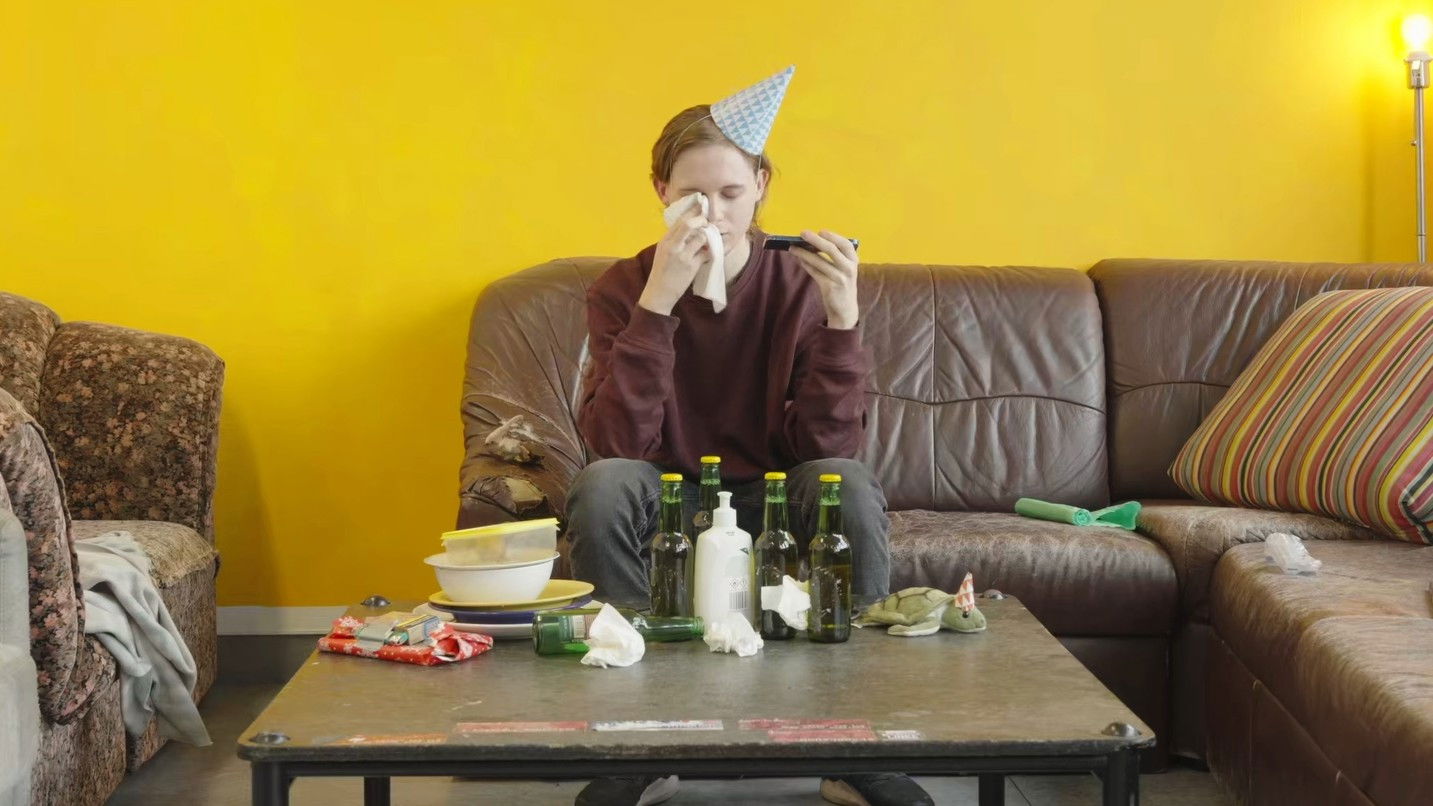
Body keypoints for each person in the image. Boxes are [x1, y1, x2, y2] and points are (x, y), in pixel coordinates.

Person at [565, 67, 932, 806]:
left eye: (731, 193)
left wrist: (842, 321)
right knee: (602, 486)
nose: (716, 214)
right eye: (694, 196)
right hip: (667, 493)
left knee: (845, 482)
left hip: (771, 493)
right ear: (662, 193)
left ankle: (857, 744)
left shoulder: (797, 284)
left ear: (761, 185)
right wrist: (658, 305)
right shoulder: (621, 288)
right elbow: (617, 444)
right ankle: (636, 743)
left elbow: (828, 445)